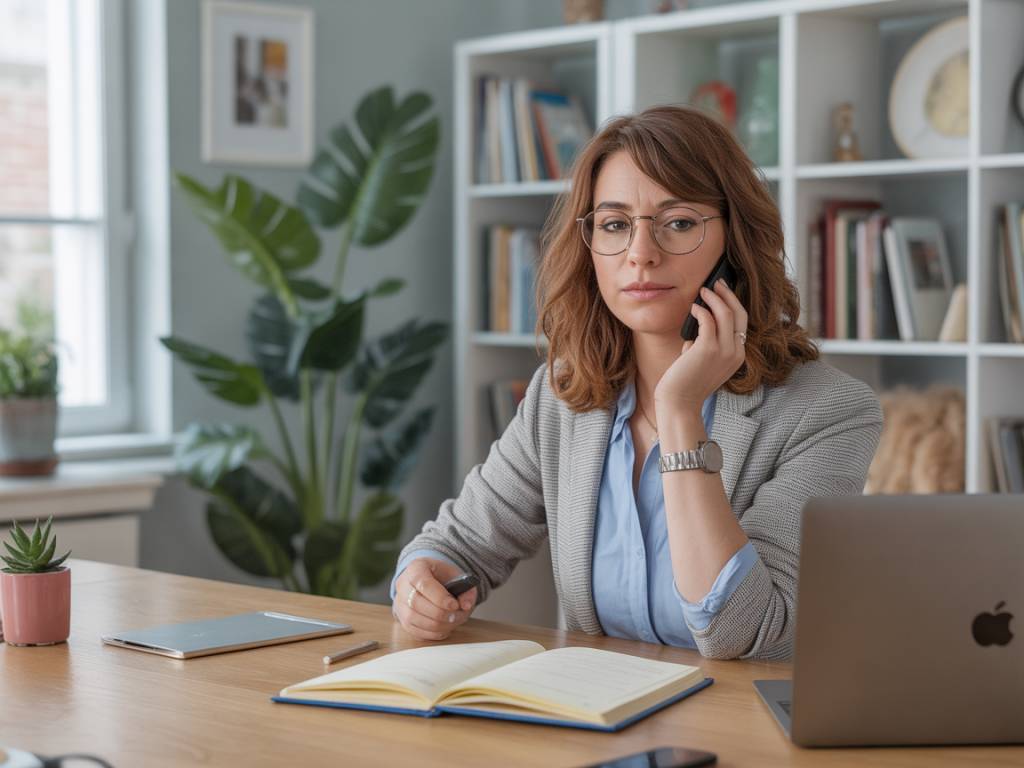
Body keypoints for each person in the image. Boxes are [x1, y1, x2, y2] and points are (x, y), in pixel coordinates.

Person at [389, 105, 883, 660]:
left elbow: (746, 634)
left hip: (739, 714)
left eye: (679, 223)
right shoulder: (562, 395)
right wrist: (421, 581)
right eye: (615, 225)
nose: (641, 255)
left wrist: (680, 411)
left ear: (735, 240)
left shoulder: (829, 411)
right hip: (598, 705)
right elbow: (458, 545)